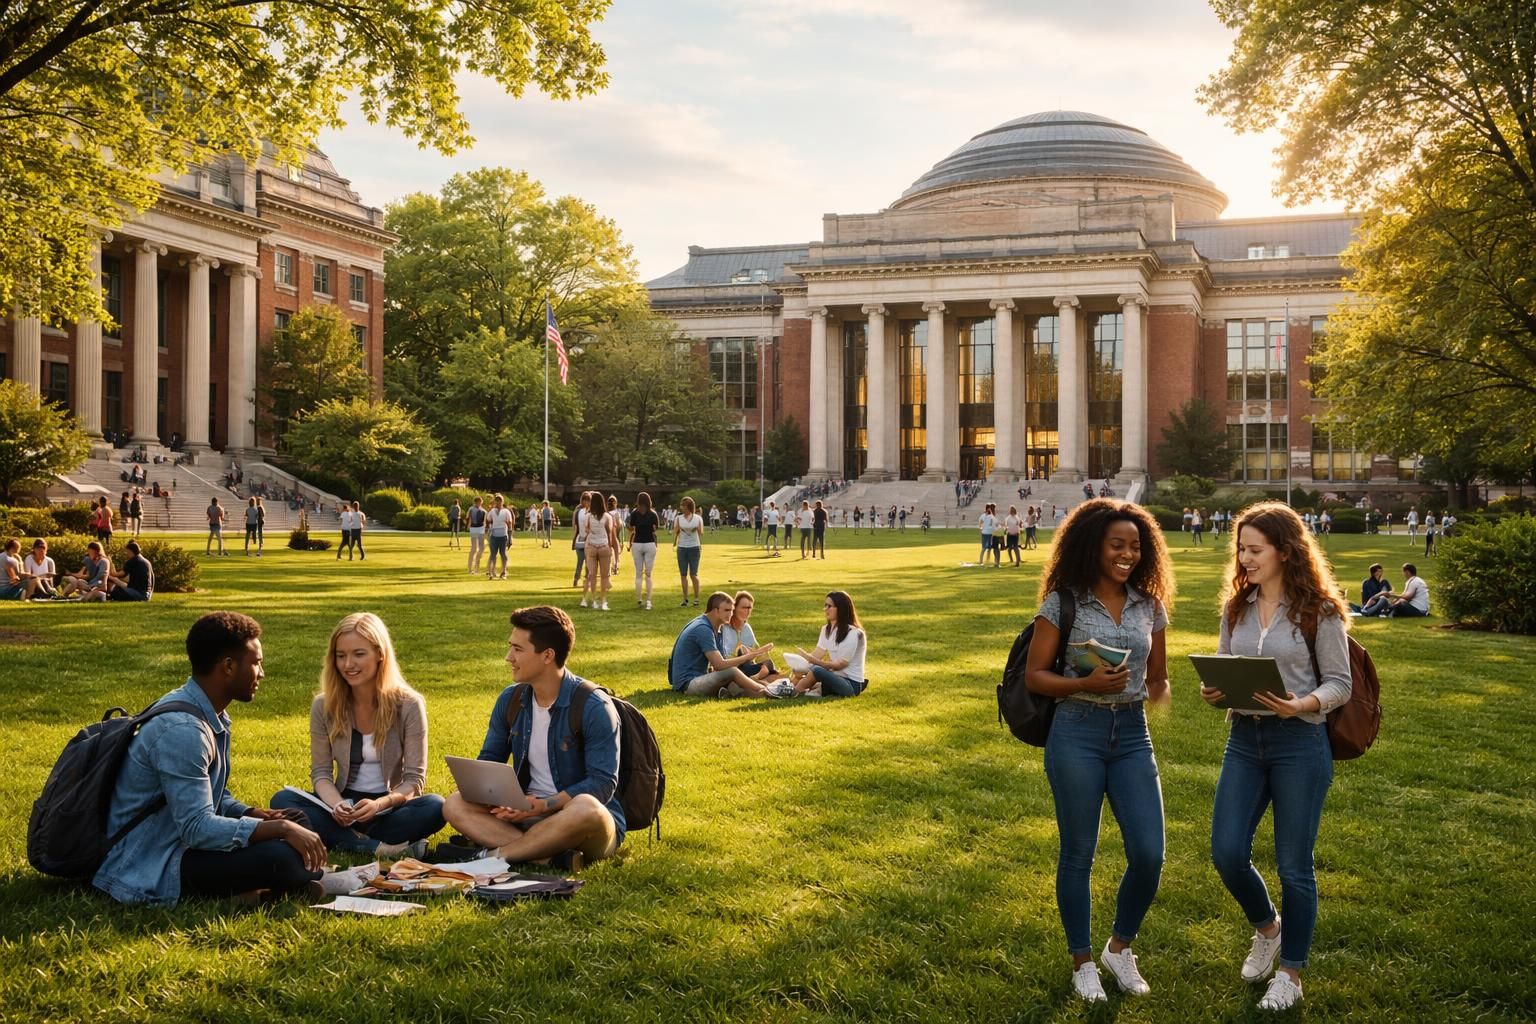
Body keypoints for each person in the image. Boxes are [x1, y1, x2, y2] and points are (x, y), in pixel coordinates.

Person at [1200, 502, 1352, 1012]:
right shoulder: (1235, 608)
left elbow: (1340, 684)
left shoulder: (1319, 611)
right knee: (1225, 852)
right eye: (1240, 548)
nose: (1244, 558)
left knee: (1294, 868)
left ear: (1285, 552)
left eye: (1254, 550)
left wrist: (1301, 705)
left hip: (1300, 744)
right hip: (1244, 739)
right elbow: (1223, 662)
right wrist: (1215, 688)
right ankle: (1268, 928)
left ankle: (1291, 972)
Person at [1022, 498, 1173, 1002]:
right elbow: (1036, 676)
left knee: (1149, 853)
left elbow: (1158, 679)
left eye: (1135, 545)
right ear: (1093, 546)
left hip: (1132, 736)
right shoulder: (1063, 603)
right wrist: (1086, 682)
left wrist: (1162, 693)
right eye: (1117, 545)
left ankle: (1119, 947)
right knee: (1079, 852)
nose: (1127, 554)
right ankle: (1082, 960)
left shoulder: (1150, 606)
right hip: (1077, 732)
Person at [93, 611, 330, 905]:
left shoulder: (208, 712)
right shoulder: (183, 730)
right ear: (228, 666)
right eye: (256, 663)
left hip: (177, 840)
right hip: (154, 858)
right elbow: (196, 828)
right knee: (281, 855)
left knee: (297, 820)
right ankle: (275, 884)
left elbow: (213, 799)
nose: (262, 673)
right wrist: (277, 829)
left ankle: (268, 889)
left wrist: (254, 813)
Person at [441, 605, 625, 870]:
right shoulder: (511, 699)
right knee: (455, 803)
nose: (508, 657)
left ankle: (493, 856)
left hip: (579, 821)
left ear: (547, 655)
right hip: (524, 813)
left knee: (586, 807)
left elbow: (602, 784)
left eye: (518, 649)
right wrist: (497, 795)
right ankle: (547, 857)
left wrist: (544, 806)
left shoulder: (593, 705)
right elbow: (490, 759)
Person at [270, 613, 445, 856]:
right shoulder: (324, 705)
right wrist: (337, 805)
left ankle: (351, 841)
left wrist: (379, 804)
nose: (348, 664)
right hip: (343, 806)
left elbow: (414, 782)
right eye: (341, 656)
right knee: (283, 800)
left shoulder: (409, 704)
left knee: (436, 806)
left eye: (359, 654)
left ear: (380, 654)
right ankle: (378, 847)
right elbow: (321, 773)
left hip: (387, 807)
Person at [667, 592, 778, 697]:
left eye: (731, 610)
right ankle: (765, 691)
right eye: (726, 610)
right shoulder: (703, 629)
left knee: (735, 684)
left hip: (699, 678)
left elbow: (721, 665)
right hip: (687, 684)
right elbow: (719, 664)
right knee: (733, 672)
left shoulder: (716, 628)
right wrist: (748, 657)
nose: (730, 614)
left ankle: (771, 691)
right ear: (715, 611)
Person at [785, 590, 869, 698]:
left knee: (817, 670)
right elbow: (817, 654)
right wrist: (800, 665)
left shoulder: (854, 633)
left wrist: (812, 661)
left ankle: (794, 692)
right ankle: (796, 689)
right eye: (825, 605)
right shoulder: (826, 630)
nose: (826, 609)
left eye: (830, 606)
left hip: (850, 685)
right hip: (833, 678)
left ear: (841, 608)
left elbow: (840, 665)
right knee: (813, 669)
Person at [721, 590, 783, 683]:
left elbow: (756, 654)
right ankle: (759, 678)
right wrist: (745, 653)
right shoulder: (724, 628)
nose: (747, 611)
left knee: (768, 664)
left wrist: (762, 651)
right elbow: (725, 657)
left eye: (749, 608)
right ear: (735, 608)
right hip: (733, 667)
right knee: (742, 653)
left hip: (748, 666)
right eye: (744, 607)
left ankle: (759, 676)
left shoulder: (746, 627)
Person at [579, 491, 616, 610]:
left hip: (591, 546)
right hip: (604, 546)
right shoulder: (607, 517)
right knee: (605, 576)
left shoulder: (588, 516)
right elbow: (609, 533)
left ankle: (594, 600)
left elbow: (586, 531)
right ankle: (604, 601)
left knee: (592, 575)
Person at [628, 491, 661, 610]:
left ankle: (639, 598)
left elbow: (631, 528)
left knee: (638, 573)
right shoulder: (652, 514)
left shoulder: (634, 513)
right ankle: (649, 601)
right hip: (649, 543)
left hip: (637, 543)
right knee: (648, 574)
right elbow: (655, 529)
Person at [673, 496, 704, 606]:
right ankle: (685, 599)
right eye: (681, 505)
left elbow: (701, 532)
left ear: (689, 507)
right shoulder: (678, 518)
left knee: (693, 574)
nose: (682, 508)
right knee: (683, 574)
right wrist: (678, 528)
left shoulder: (697, 518)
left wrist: (695, 528)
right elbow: (675, 531)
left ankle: (696, 598)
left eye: (684, 506)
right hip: (682, 547)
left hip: (694, 547)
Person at [486, 493, 514, 580]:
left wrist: (510, 537)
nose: (498, 502)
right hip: (494, 535)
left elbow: (510, 524)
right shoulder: (492, 511)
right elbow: (488, 520)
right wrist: (488, 529)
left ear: (502, 502)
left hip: (503, 535)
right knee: (493, 554)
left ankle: (504, 571)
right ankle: (492, 571)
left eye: (500, 501)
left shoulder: (506, 512)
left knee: (503, 554)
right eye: (497, 501)